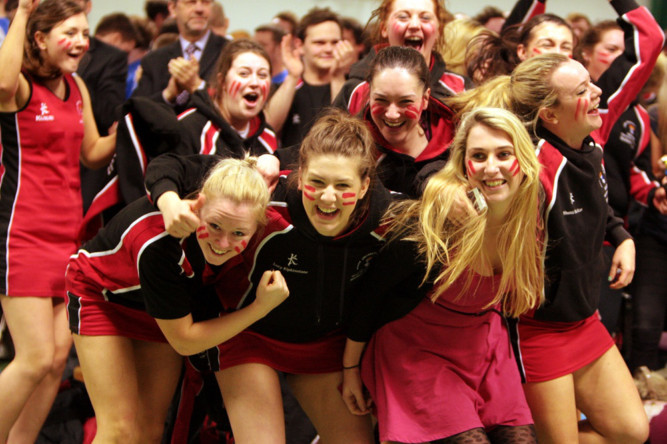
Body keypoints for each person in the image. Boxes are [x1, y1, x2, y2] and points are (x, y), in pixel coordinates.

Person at [145, 110, 391, 443]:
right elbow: (168, 165)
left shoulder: (388, 222)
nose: (328, 197)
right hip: (249, 336)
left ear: (364, 186)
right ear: (300, 176)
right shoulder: (263, 198)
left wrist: (350, 367)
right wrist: (169, 201)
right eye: (317, 182)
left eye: (343, 185)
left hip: (322, 345)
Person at [342, 107, 543, 443]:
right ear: (464, 164)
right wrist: (350, 370)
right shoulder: (439, 223)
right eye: (479, 156)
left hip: (484, 342)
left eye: (503, 154)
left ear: (522, 159)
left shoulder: (528, 210)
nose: (491, 167)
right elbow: (371, 294)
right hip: (418, 347)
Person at [67, 157, 288, 444]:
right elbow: (185, 340)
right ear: (199, 202)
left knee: (149, 430)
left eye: (238, 234)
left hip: (158, 308)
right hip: (101, 294)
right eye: (215, 226)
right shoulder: (160, 243)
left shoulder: (248, 203)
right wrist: (260, 307)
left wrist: (271, 157)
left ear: (257, 226)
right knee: (119, 430)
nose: (222, 244)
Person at [0, 0, 116, 441]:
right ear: (39, 39)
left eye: (85, 32)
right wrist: (24, 12)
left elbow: (91, 153)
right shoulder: (19, 87)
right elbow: (1, 80)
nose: (82, 42)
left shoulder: (77, 86)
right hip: (21, 231)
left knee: (56, 358)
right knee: (32, 357)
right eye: (70, 32)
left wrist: (133, 126)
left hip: (66, 234)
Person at [575, 18, 666, 334]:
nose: (622, 59)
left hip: (615, 236)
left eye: (625, 52)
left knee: (606, 328)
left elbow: (631, 170)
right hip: (572, 238)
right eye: (611, 50)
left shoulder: (638, 115)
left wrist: (652, 192)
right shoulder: (574, 108)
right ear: (585, 54)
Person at [334, 0, 470, 114]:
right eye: (403, 17)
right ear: (384, 29)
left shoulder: (461, 90)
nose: (414, 25)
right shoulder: (357, 91)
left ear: (439, 31)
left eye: (425, 18)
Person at [362, 45, 455, 197]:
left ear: (425, 99)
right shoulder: (357, 152)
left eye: (405, 101)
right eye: (381, 100)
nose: (392, 114)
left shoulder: (457, 139)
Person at [264, 7, 355, 149]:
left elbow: (345, 135)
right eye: (320, 43)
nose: (328, 49)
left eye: (335, 42)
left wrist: (337, 75)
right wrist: (293, 75)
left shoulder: (353, 87)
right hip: (289, 168)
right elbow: (269, 127)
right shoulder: (287, 86)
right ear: (300, 45)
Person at [177, 39, 278, 158]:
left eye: (262, 75)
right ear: (222, 81)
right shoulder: (189, 128)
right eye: (244, 74)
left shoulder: (267, 135)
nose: (255, 83)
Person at [132, 0, 227, 111]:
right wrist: (168, 94)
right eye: (191, 2)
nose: (199, 9)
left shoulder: (231, 53)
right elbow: (137, 111)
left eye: (205, 2)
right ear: (172, 8)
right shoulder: (153, 60)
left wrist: (198, 86)